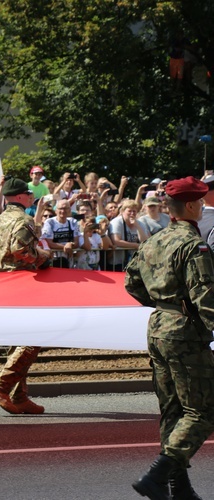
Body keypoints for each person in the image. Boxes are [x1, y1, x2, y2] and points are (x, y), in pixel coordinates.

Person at [125, 176, 214, 500]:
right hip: (185, 333)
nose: (203, 207)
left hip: (159, 327)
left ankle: (178, 487)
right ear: (190, 206)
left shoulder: (153, 240)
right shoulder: (194, 245)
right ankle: (157, 474)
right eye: (201, 203)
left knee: (173, 411)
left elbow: (131, 283)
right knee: (203, 411)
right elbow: (205, 295)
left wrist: (164, 305)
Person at [0, 177, 51, 414]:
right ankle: (0, 386)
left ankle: (19, 395)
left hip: (0, 283)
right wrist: (42, 257)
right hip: (22, 285)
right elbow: (21, 250)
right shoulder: (23, 219)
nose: (32, 197)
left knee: (18, 341)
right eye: (29, 194)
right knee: (33, 338)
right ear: (21, 197)